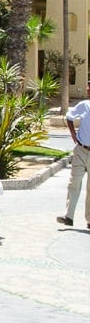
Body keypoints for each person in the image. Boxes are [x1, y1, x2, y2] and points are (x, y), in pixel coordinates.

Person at [57, 79, 90, 230]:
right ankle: (68, 216)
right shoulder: (84, 105)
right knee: (74, 183)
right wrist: (72, 133)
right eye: (88, 88)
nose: (88, 90)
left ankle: (89, 219)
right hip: (82, 150)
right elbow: (70, 117)